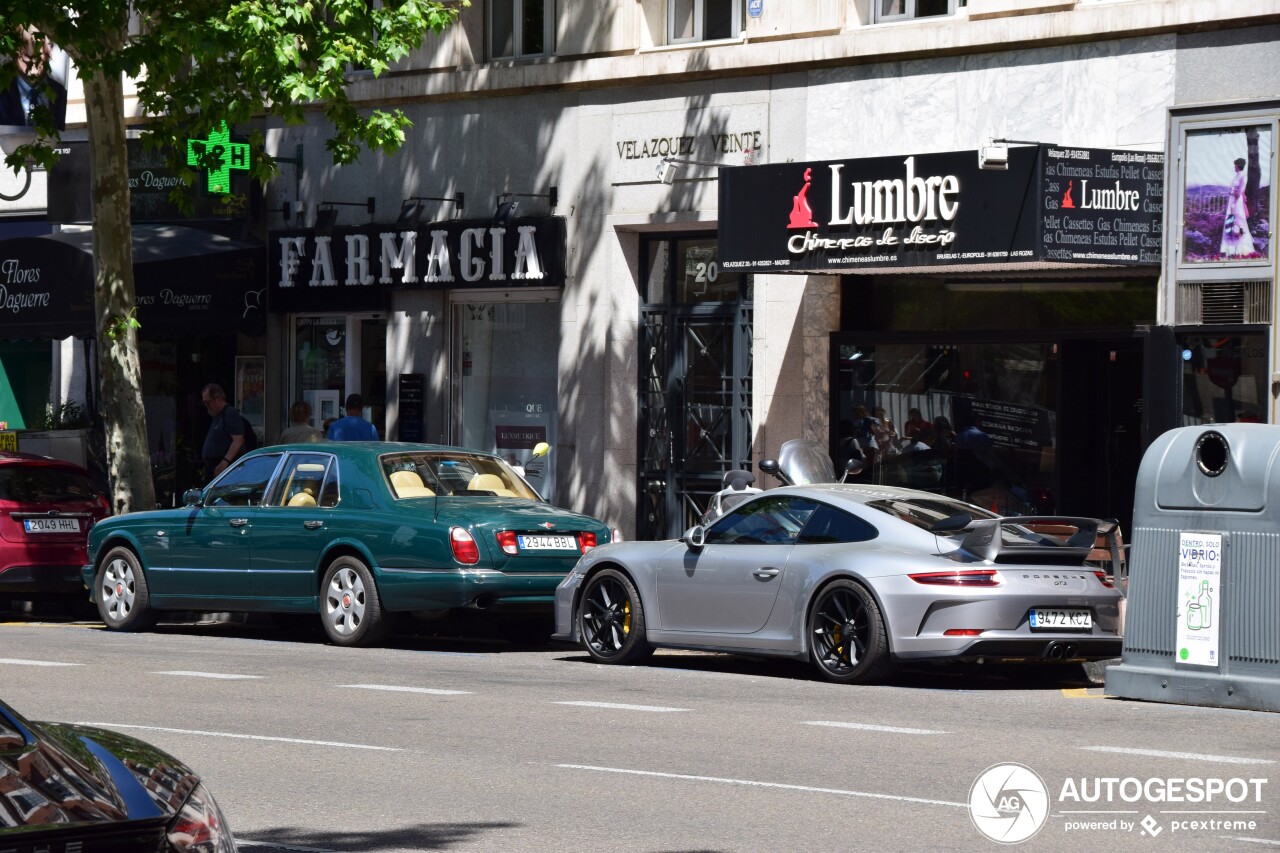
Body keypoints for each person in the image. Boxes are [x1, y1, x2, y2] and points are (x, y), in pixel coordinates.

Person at [0, 27, 68, 128]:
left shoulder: (61, 93)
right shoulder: (2, 94)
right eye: (23, 43)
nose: (30, 54)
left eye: (37, 43)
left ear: (48, 49)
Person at [201, 383, 247, 482]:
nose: (206, 406)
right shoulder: (217, 416)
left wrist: (224, 462)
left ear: (217, 399)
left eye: (207, 402)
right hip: (214, 468)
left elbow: (238, 440)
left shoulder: (230, 413)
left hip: (223, 469)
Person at [1220, 157, 1256, 258]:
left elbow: (1239, 192)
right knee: (1230, 223)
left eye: (1235, 165)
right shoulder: (1236, 176)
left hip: (1236, 203)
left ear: (1238, 166)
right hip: (1232, 201)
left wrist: (1232, 197)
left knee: (1237, 223)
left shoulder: (1243, 177)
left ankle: (1240, 249)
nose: (1234, 167)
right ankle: (1230, 249)